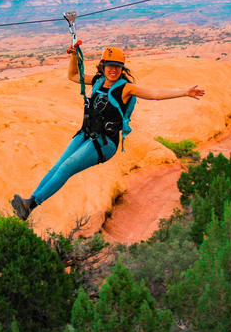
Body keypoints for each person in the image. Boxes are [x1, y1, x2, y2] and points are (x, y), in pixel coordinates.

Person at [12, 46, 205, 220]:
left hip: (105, 142)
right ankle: (29, 202)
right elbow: (72, 75)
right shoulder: (97, 81)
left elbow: (154, 94)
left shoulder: (125, 87)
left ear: (122, 68)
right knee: (58, 166)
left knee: (66, 168)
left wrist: (183, 92)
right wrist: (73, 56)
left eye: (118, 66)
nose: (113, 70)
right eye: (110, 66)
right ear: (103, 65)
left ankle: (32, 204)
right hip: (85, 133)